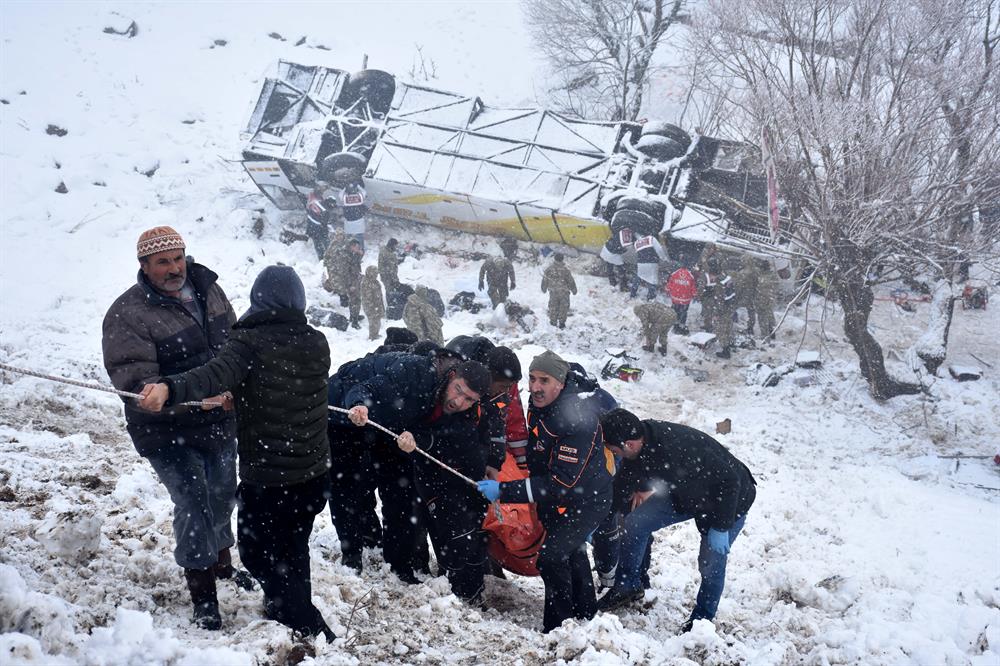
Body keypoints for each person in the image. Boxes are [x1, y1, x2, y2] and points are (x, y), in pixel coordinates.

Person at [139, 265, 335, 640]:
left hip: (271, 477)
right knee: (293, 548)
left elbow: (211, 375)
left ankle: (304, 622)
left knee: (258, 551)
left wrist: (168, 387)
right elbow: (284, 389)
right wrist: (243, 397)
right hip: (312, 474)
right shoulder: (316, 341)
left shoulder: (250, 343)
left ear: (259, 300)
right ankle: (287, 609)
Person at [102, 226, 252, 631]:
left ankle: (222, 560)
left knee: (222, 494)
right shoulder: (127, 314)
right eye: (163, 262)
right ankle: (202, 591)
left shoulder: (211, 291)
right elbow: (133, 380)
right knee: (194, 500)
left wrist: (239, 386)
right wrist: (160, 394)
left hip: (219, 420)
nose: (174, 268)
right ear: (144, 266)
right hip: (165, 430)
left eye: (178, 258)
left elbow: (237, 348)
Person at [476, 350, 615, 633]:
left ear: (560, 383)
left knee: (551, 557)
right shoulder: (539, 403)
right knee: (572, 551)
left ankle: (557, 628)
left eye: (544, 380)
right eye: (532, 378)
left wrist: (504, 490)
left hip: (586, 499)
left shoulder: (578, 420)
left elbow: (558, 483)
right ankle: (586, 615)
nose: (536, 387)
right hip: (557, 496)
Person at [327, 351, 491, 580]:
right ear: (451, 376)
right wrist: (359, 405)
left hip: (393, 426)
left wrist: (417, 438)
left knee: (402, 492)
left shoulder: (465, 414)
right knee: (348, 485)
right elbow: (366, 389)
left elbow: (439, 435)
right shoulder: (415, 373)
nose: (458, 402)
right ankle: (352, 555)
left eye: (469, 399)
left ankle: (399, 566)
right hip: (347, 412)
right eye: (458, 390)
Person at [596, 408, 756, 633]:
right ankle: (628, 584)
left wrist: (721, 527)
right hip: (683, 494)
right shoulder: (641, 438)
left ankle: (701, 622)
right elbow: (629, 477)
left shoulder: (676, 448)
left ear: (629, 445)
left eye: (614, 450)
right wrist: (604, 514)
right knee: (635, 524)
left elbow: (729, 481)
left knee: (710, 563)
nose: (614, 454)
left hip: (727, 501)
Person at [445, 335, 527, 477]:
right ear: (488, 378)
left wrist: (495, 462)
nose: (506, 391)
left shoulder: (501, 386)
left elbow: (497, 425)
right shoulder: (461, 381)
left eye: (509, 387)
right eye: (503, 387)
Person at [323, 236, 364, 329]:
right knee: (355, 300)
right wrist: (350, 285)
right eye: (356, 247)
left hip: (354, 278)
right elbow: (343, 273)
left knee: (356, 299)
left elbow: (356, 262)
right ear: (352, 246)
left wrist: (359, 254)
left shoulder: (351, 252)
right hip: (348, 280)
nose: (358, 248)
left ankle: (355, 316)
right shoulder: (344, 256)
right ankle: (354, 321)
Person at [708, 258, 738, 359]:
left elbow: (720, 301)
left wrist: (716, 314)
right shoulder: (727, 278)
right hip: (731, 307)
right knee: (729, 326)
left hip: (724, 309)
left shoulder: (719, 284)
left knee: (721, 329)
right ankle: (731, 343)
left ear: (713, 274)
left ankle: (726, 351)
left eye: (710, 276)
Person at [540, 253, 577, 329]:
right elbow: (570, 281)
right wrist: (574, 290)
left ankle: (553, 321)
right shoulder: (565, 270)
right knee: (563, 307)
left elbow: (544, 279)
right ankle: (562, 323)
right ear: (562, 259)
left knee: (553, 306)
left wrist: (544, 288)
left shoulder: (549, 269)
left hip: (553, 292)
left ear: (555, 259)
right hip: (564, 292)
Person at [304, 184, 335, 259]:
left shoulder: (315, 200)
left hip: (312, 226)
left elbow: (309, 209)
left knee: (318, 244)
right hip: (318, 228)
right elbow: (326, 223)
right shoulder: (325, 210)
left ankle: (322, 258)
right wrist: (332, 231)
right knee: (326, 243)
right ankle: (327, 258)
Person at [666, 265, 697, 335]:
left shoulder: (675, 273)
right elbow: (693, 288)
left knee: (675, 311)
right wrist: (694, 295)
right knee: (684, 312)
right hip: (685, 299)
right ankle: (681, 326)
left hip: (675, 298)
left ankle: (675, 325)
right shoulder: (690, 276)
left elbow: (670, 283)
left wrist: (668, 290)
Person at [340, 178, 368, 250]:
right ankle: (360, 250)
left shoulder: (344, 198)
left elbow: (340, 194)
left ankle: (348, 250)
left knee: (349, 240)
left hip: (348, 223)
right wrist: (357, 185)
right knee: (359, 238)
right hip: (359, 222)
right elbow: (364, 192)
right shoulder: (360, 197)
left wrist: (345, 188)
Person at [360, 265, 385, 341]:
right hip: (370, 306)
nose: (376, 275)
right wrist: (373, 307)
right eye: (375, 273)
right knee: (373, 321)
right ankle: (372, 336)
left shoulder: (375, 281)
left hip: (377, 304)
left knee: (377, 320)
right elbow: (368, 297)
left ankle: (376, 334)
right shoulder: (366, 283)